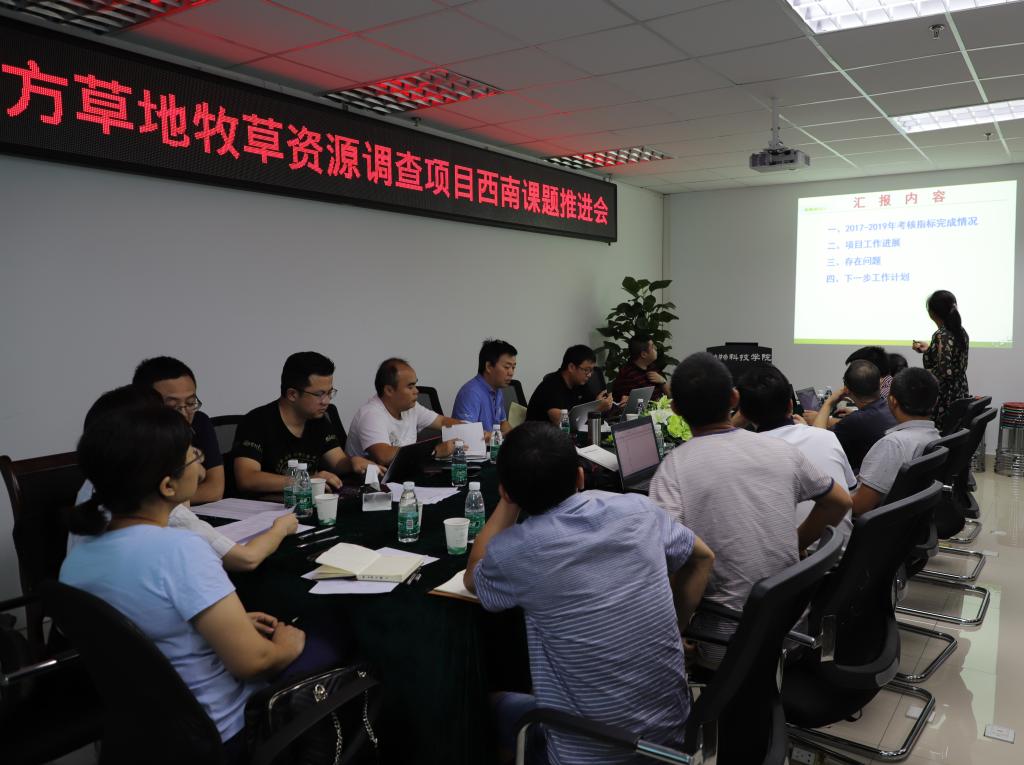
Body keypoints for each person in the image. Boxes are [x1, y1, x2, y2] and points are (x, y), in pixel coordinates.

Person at [60, 404, 307, 755]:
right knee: (331, 639)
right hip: (223, 731)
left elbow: (143, 629)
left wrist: (218, 624)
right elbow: (254, 662)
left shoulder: (77, 559)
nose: (202, 466)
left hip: (144, 734)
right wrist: (288, 645)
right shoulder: (180, 549)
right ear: (167, 485)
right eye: (194, 456)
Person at [464, 422, 714, 765]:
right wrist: (674, 628)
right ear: (580, 478)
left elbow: (473, 576)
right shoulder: (638, 510)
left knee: (484, 707)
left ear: (507, 491)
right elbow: (703, 557)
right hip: (674, 740)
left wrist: (508, 503)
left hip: (587, 753)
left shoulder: (516, 552)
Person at [649, 353, 851, 669]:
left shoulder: (673, 469)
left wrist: (676, 631)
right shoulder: (781, 450)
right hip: (791, 626)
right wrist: (797, 542)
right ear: (734, 399)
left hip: (726, 643)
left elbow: (666, 562)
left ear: (674, 409)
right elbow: (840, 502)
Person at [71, 386, 299, 572]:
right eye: (191, 455)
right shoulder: (176, 535)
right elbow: (245, 559)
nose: (184, 415)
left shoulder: (93, 489)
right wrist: (280, 528)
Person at [737, 365, 857, 541]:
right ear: (790, 405)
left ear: (745, 414)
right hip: (840, 548)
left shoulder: (745, 453)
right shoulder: (826, 436)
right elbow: (849, 492)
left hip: (799, 552)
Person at [234, 352, 373, 495]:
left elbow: (337, 462)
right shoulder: (256, 421)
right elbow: (247, 479)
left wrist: (353, 462)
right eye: (319, 394)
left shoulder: (318, 419)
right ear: (292, 394)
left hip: (307, 502)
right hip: (267, 505)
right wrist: (304, 481)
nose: (326, 401)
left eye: (330, 392)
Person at [131, 356, 225, 504]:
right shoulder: (129, 435)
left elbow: (215, 489)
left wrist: (166, 501)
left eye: (190, 403)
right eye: (173, 406)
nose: (184, 414)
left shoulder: (200, 422)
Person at [852, 368, 941, 517]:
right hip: (907, 520)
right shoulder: (935, 437)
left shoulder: (893, 445)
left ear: (892, 401)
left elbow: (860, 506)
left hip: (872, 523)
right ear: (935, 402)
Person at [346, 358, 463, 465]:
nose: (416, 391)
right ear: (389, 390)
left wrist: (472, 430)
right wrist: (434, 451)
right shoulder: (371, 415)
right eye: (410, 387)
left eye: (415, 385)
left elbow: (443, 422)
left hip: (406, 472)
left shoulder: (412, 408)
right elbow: (384, 457)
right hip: (372, 479)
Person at [813, 360, 897, 473]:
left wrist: (829, 402)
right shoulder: (890, 408)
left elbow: (817, 442)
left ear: (847, 389)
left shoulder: (855, 421)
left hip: (859, 478)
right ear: (880, 383)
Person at [913, 289, 969, 424]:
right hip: (959, 391)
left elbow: (944, 372)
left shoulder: (941, 335)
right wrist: (930, 350)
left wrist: (918, 375)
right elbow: (951, 361)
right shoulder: (960, 331)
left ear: (932, 313)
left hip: (945, 397)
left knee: (941, 432)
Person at [526, 345, 619, 425]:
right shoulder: (551, 385)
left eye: (591, 370)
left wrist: (600, 403)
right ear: (571, 367)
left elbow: (589, 405)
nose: (590, 375)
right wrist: (597, 409)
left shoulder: (579, 383)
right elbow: (562, 422)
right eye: (586, 370)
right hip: (539, 436)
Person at [452, 339, 517, 435]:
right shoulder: (471, 393)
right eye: (507, 367)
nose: (511, 373)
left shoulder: (498, 390)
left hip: (492, 443)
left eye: (513, 367)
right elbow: (465, 434)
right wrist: (499, 437)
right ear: (489, 366)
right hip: (473, 444)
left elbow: (502, 423)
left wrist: (516, 437)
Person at [611, 333, 670, 401]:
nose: (656, 348)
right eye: (652, 347)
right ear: (644, 354)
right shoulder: (628, 376)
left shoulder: (652, 367)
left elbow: (671, 396)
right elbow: (636, 405)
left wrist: (663, 382)